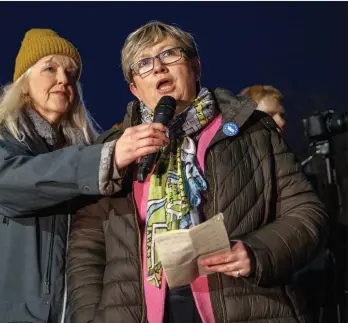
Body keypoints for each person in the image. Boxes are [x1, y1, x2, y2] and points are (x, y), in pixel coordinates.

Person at [67, 21, 328, 323]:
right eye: (144, 63)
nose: (159, 68)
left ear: (195, 66)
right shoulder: (113, 151)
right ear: (135, 89)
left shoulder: (251, 130)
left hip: (247, 306)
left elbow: (307, 213)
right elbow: (86, 249)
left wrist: (257, 252)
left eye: (169, 54)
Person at [0, 28, 168, 323]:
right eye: (50, 68)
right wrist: (107, 157)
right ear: (23, 83)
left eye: (71, 73)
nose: (64, 79)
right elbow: (11, 182)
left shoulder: (76, 152)